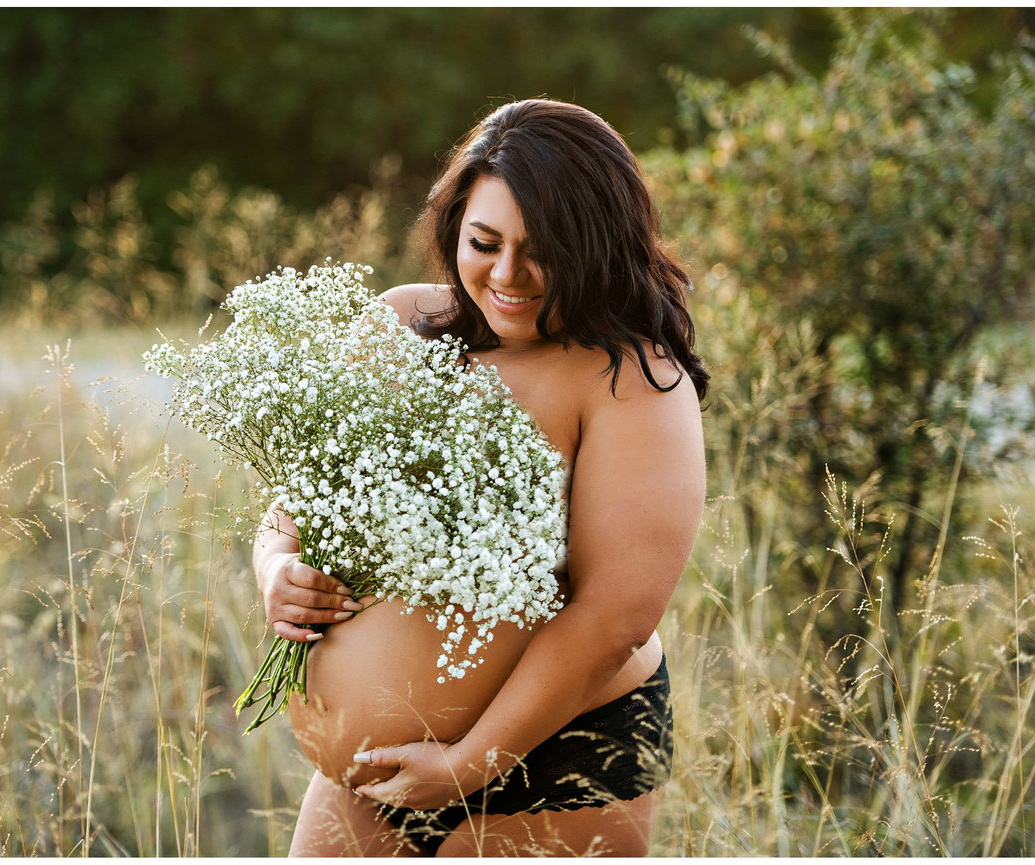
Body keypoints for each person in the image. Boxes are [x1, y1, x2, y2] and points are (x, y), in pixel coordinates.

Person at [253, 98, 707, 856]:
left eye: (543, 251)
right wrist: (277, 569)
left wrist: (468, 763)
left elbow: (614, 617)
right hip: (378, 778)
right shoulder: (400, 324)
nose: (507, 274)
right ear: (453, 227)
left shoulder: (630, 380)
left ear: (597, 246)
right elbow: (295, 506)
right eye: (484, 242)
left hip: (554, 761)